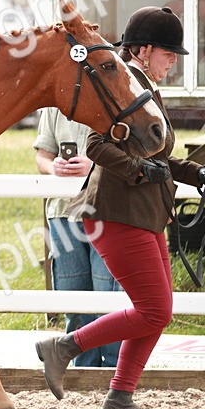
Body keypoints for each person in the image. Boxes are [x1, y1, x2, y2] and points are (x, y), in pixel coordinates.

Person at [35, 5, 205, 409]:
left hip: (146, 213)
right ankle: (64, 347)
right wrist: (138, 169)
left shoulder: (145, 87)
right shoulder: (123, 85)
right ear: (145, 49)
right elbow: (97, 146)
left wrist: (193, 172)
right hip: (117, 211)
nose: (173, 63)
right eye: (169, 54)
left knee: (157, 311)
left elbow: (154, 156)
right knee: (154, 309)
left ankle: (120, 394)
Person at [33, 108, 121, 368]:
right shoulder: (53, 108)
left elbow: (131, 155)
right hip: (62, 210)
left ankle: (114, 370)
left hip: (105, 210)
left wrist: (94, 166)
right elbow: (42, 156)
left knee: (108, 294)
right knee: (72, 295)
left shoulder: (113, 98)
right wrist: (54, 167)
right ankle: (83, 369)